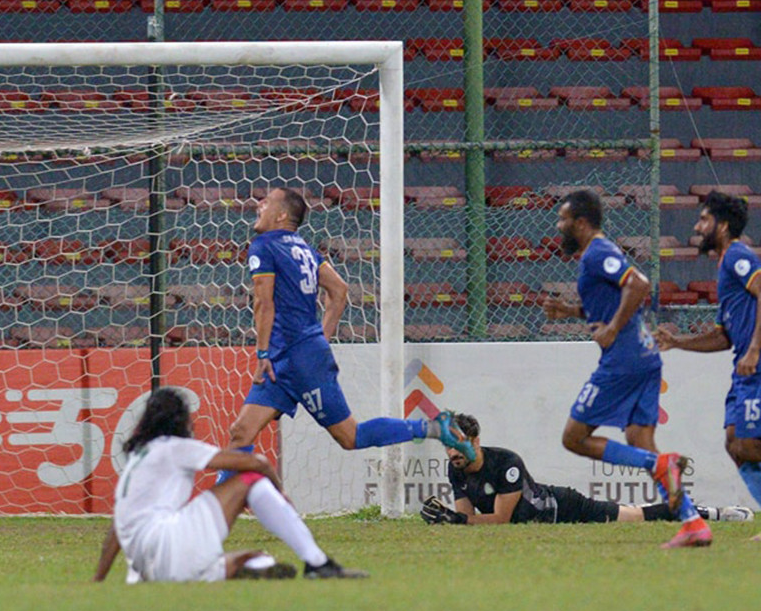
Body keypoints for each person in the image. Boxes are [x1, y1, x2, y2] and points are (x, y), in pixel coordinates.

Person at [222, 187, 474, 482]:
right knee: (241, 432)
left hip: (293, 359)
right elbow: (339, 290)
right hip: (290, 359)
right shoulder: (304, 248)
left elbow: (264, 302)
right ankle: (216, 513)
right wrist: (320, 339)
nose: (259, 204)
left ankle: (433, 428)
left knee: (350, 436)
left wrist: (263, 352)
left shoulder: (264, 245)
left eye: (266, 202)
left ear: (280, 215)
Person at [541, 189, 711, 547]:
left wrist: (614, 328)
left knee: (574, 438)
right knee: (642, 443)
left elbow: (640, 285)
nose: (559, 226)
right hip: (645, 357)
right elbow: (612, 301)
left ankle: (666, 467)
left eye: (564, 219)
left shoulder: (598, 253)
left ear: (582, 223)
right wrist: (570, 311)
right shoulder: (597, 254)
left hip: (624, 360)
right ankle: (693, 522)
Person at [93, 387, 369, 582]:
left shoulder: (137, 460)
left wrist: (98, 579)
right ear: (181, 420)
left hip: (145, 568)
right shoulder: (173, 447)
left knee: (254, 559)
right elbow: (257, 463)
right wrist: (280, 492)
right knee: (249, 479)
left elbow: (117, 527)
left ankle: (248, 564)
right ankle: (318, 562)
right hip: (167, 542)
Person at [654, 191, 761, 538]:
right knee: (735, 444)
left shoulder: (737, 257)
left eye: (703, 220)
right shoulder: (724, 270)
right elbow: (723, 338)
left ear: (723, 225)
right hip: (744, 369)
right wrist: (677, 342)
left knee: (747, 443)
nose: (697, 226)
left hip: (756, 365)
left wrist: (755, 350)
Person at [425, 413, 752, 525]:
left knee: (634, 516)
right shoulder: (456, 468)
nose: (453, 452)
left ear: (476, 441)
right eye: (448, 445)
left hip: (564, 508)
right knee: (633, 515)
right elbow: (467, 517)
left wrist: (457, 520)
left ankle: (708, 513)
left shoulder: (506, 463)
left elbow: (498, 521)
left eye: (459, 444)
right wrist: (449, 519)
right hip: (542, 518)